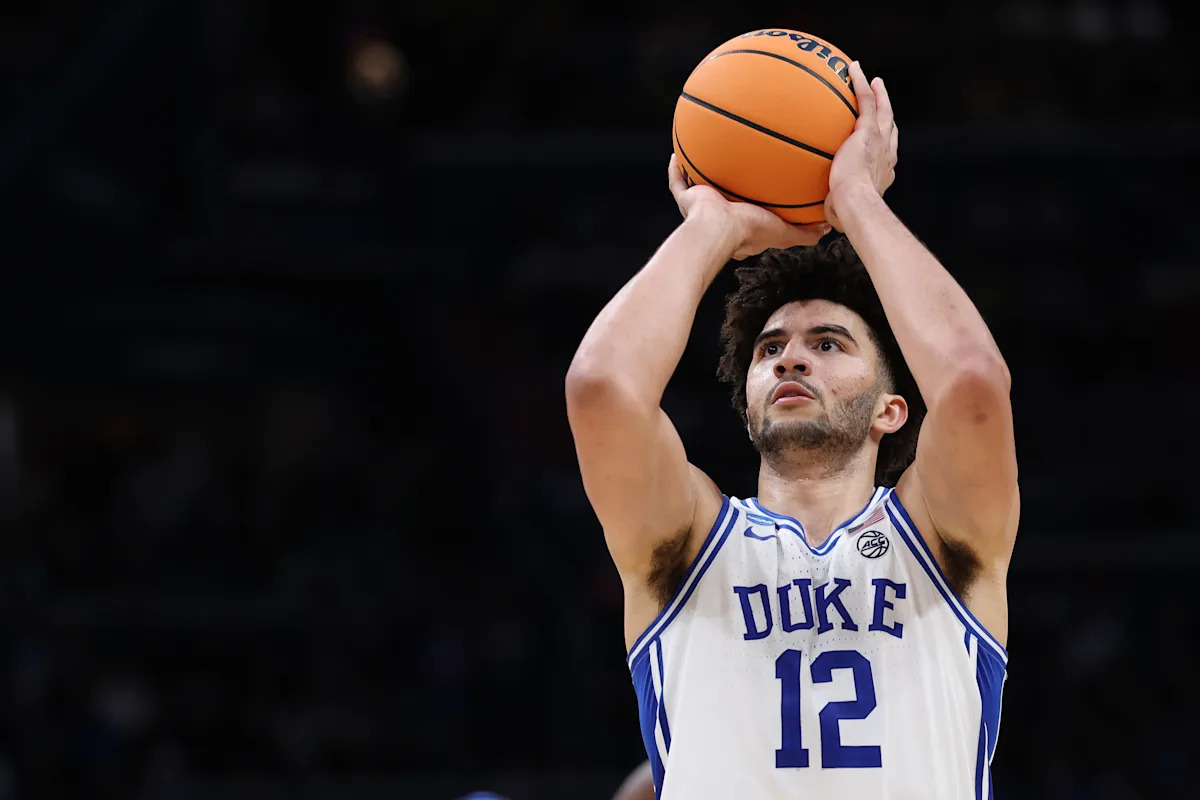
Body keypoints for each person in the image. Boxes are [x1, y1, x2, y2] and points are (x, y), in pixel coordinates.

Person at [565, 61, 1017, 799]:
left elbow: (972, 384)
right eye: (770, 350)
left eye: (829, 343)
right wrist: (715, 227)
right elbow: (599, 389)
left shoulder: (940, 537)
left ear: (889, 409)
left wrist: (857, 200)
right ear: (747, 403)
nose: (792, 357)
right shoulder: (685, 543)